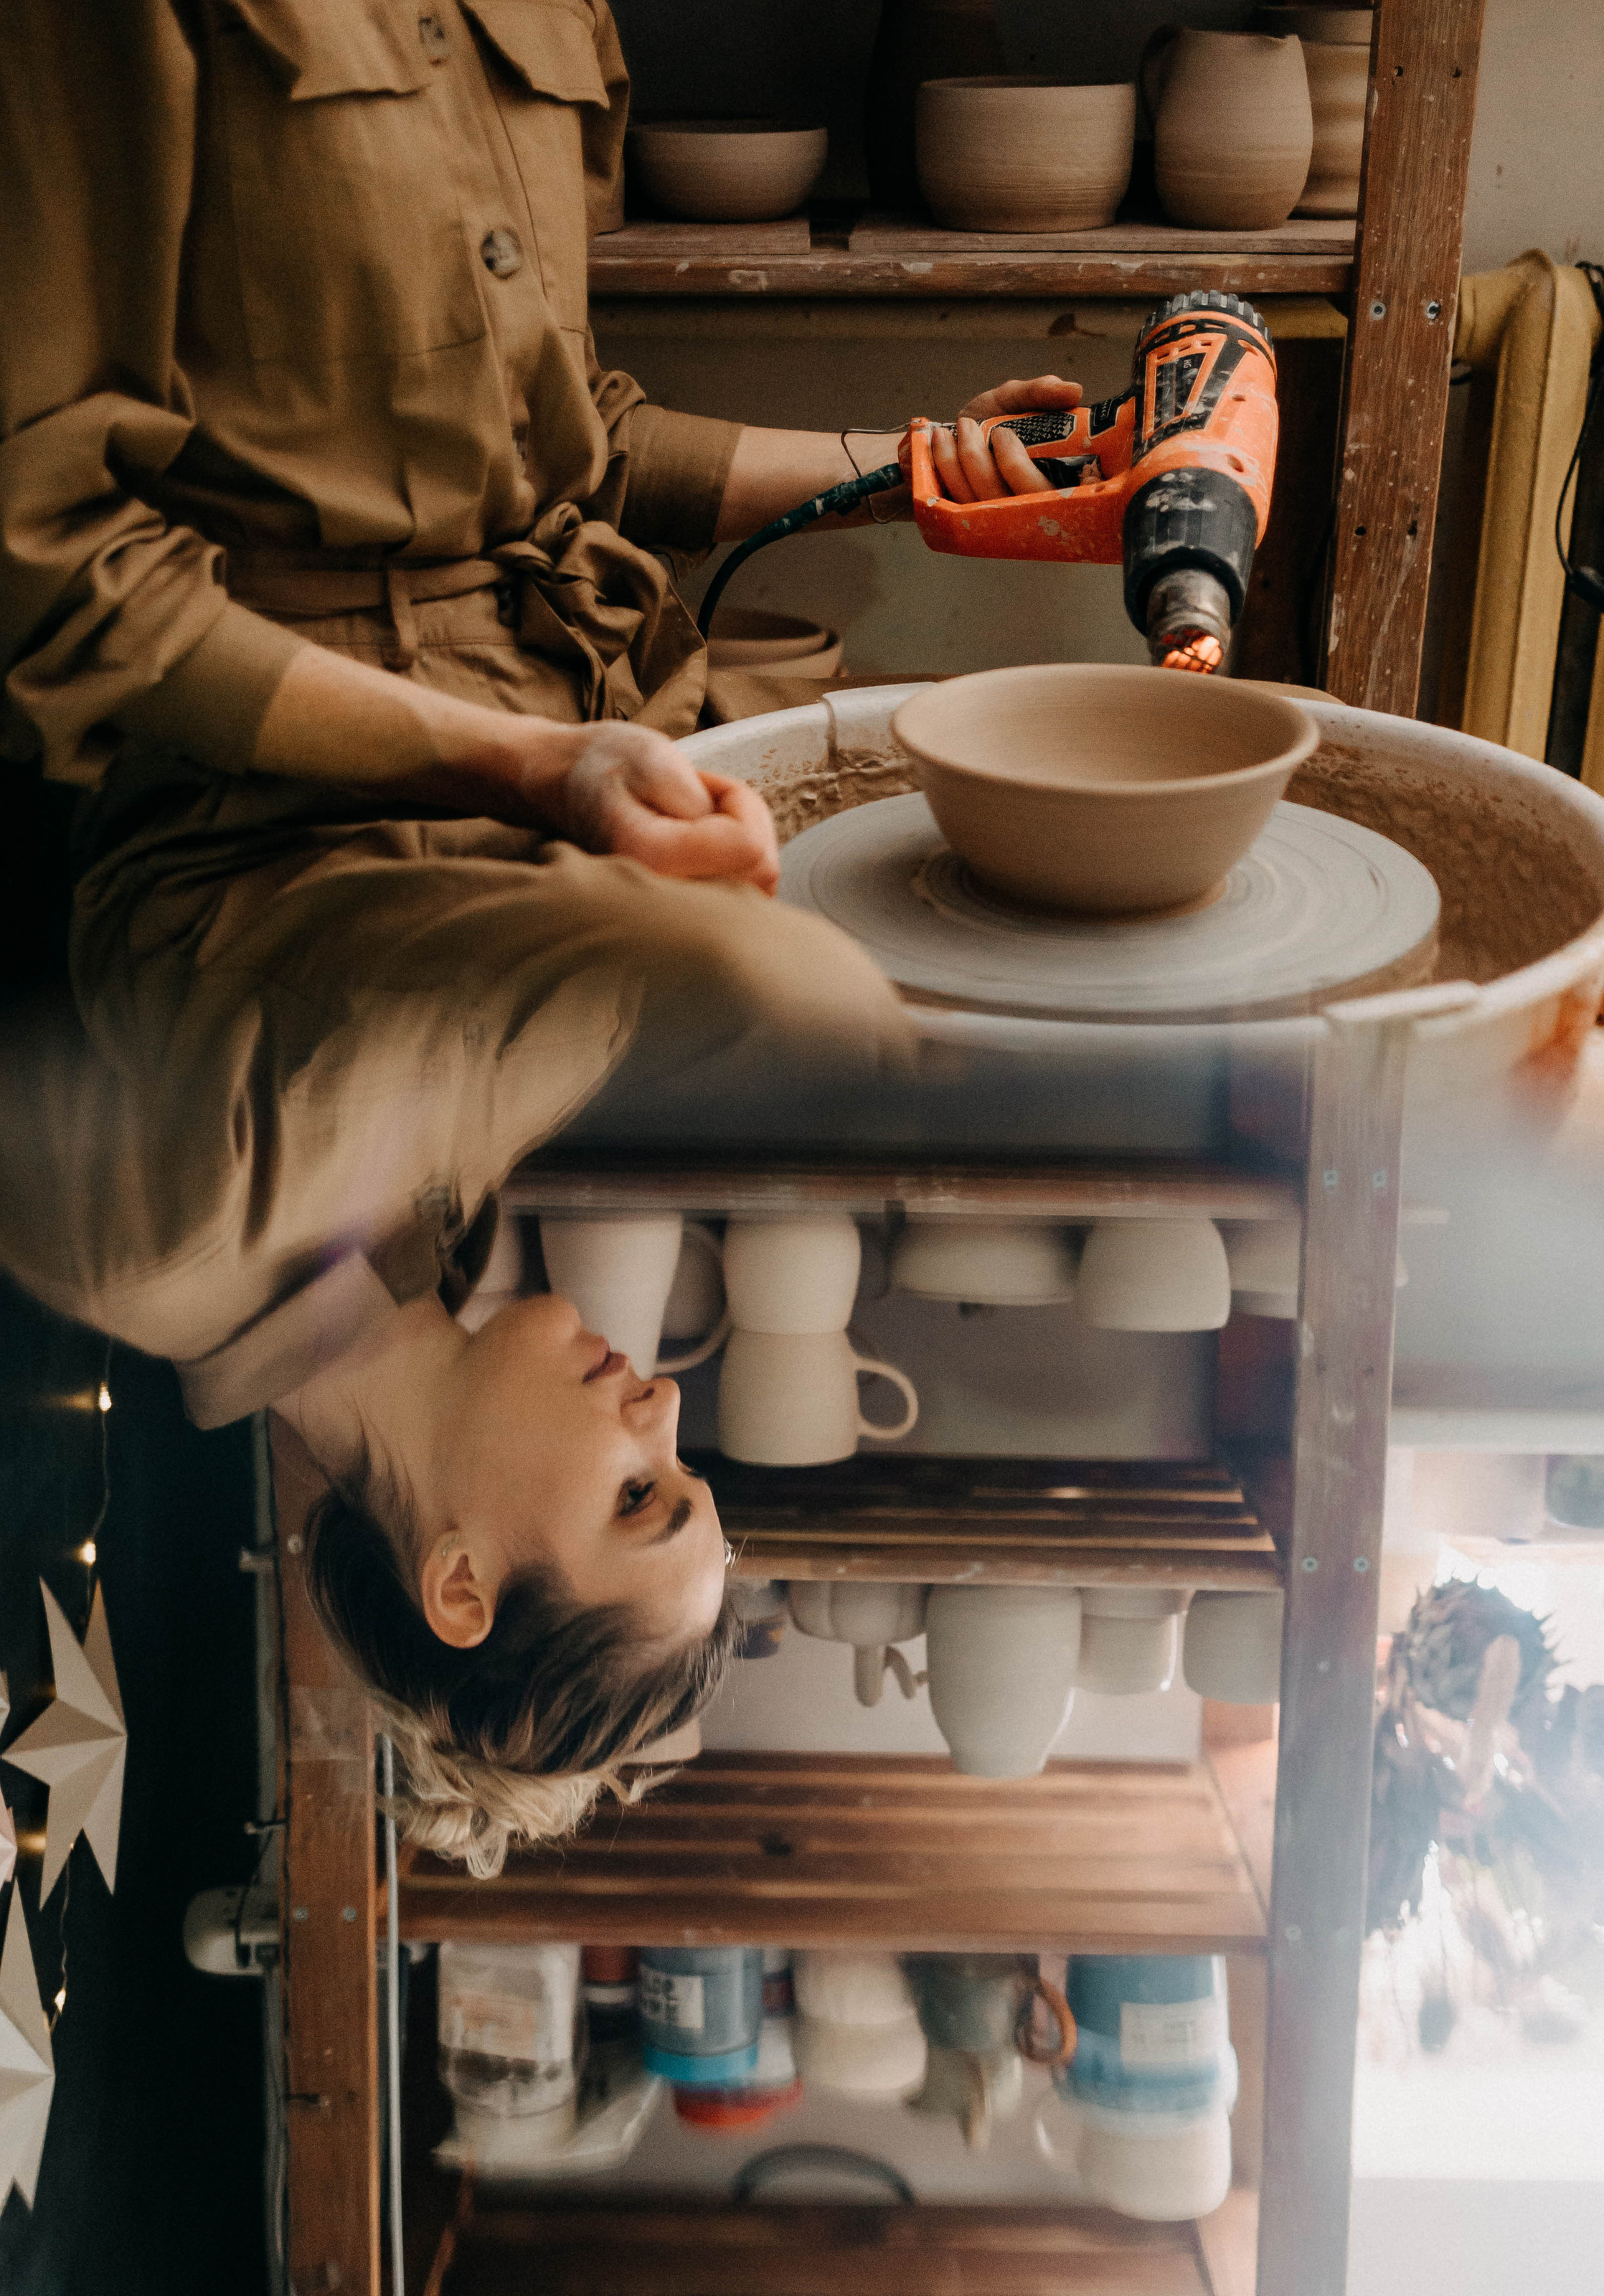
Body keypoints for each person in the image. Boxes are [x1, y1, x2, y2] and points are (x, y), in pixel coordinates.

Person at [0, 0, 1082, 1873]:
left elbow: (57, 580)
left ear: (457, 1578)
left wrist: (584, 818)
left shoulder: (164, 1225)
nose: (665, 1410)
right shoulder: (443, 1209)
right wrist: (898, 471)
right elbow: (568, 441)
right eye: (694, 1472)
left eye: (639, 1498)